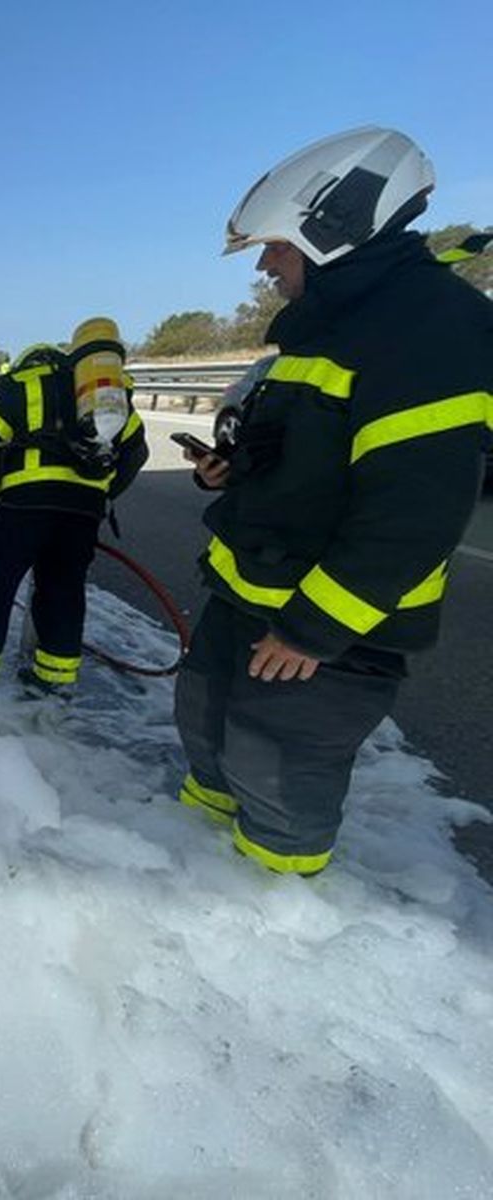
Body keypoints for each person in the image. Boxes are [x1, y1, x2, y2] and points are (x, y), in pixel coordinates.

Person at [176, 127, 493, 876]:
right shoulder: (327, 328)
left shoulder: (427, 334)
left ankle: (275, 915)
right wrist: (232, 468)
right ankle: (190, 870)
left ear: (335, 230)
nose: (264, 265)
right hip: (250, 595)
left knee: (277, 775)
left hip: (325, 628)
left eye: (277, 248)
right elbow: (299, 454)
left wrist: (312, 631)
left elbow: (412, 515)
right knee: (210, 737)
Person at [0, 317, 148, 696]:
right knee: (63, 591)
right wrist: (103, 494)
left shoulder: (18, 386)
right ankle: (53, 685)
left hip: (22, 508)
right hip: (82, 513)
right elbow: (136, 453)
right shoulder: (110, 394)